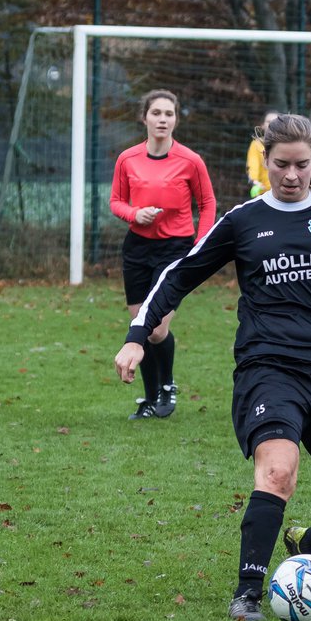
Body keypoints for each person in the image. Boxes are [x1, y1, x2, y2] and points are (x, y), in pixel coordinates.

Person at [114, 113, 311, 621]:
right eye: (281, 164)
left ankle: (306, 545)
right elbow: (178, 275)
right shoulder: (241, 221)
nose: (291, 175)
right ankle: (248, 594)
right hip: (269, 370)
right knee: (278, 472)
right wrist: (136, 338)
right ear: (266, 161)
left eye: (301, 165)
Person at [108, 89, 217, 420]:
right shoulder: (128, 159)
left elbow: (208, 204)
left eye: (168, 114)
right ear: (145, 117)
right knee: (139, 322)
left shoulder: (190, 160)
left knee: (155, 329)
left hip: (175, 249)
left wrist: (199, 246)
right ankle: (151, 398)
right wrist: (133, 214)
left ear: (176, 120)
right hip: (138, 249)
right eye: (156, 113)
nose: (162, 119)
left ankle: (167, 386)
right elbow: (115, 201)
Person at [245, 110, 281, 198]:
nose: (271, 124)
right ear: (262, 125)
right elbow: (253, 166)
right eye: (268, 122)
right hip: (264, 194)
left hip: (284, 193)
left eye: (275, 122)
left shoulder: (288, 145)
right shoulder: (256, 145)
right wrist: (255, 182)